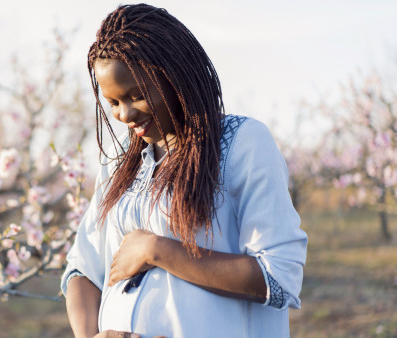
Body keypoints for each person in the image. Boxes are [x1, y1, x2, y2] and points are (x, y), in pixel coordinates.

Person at [61, 4, 308, 338]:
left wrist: (158, 250)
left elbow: (278, 279)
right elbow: (82, 270)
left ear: (174, 74)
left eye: (137, 95)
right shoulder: (119, 164)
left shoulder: (240, 143)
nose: (125, 114)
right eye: (114, 102)